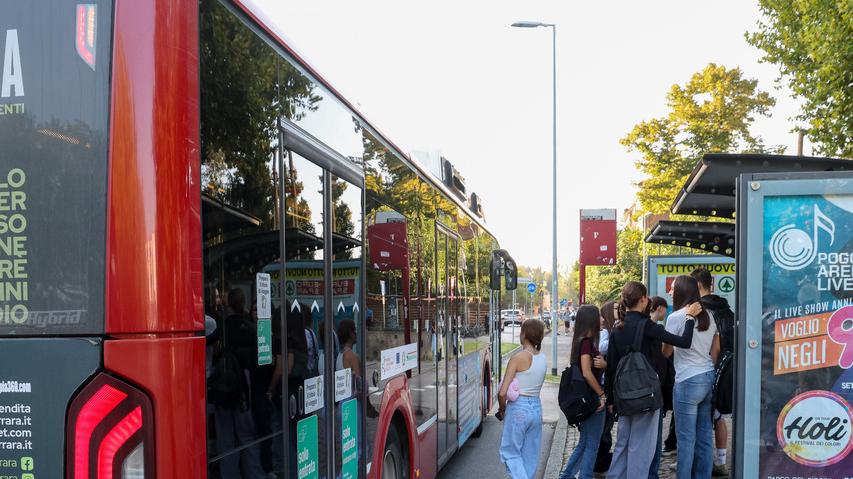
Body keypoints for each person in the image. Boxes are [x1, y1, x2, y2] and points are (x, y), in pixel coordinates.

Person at [605, 282, 699, 479]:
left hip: (623, 396)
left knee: (622, 444)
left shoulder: (617, 328)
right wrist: (689, 318)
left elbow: (611, 367)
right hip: (645, 395)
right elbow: (684, 342)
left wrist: (611, 400)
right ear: (643, 299)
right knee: (641, 447)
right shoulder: (648, 326)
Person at [662, 276, 720, 479]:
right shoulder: (710, 316)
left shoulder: (675, 317)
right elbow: (716, 348)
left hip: (687, 379)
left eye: (672, 288)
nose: (670, 291)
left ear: (680, 291)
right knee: (704, 436)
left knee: (685, 439)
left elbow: (666, 352)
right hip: (706, 376)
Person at [691, 267, 733, 477]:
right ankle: (721, 461)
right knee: (718, 416)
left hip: (705, 366)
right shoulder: (725, 307)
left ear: (698, 286)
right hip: (726, 365)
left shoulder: (700, 309)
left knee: (702, 418)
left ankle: (700, 463)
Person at [560, 305, 607, 479]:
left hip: (586, 399)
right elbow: (587, 372)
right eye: (600, 316)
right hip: (592, 399)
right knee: (591, 445)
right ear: (591, 320)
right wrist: (602, 394)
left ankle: (566, 476)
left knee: (584, 443)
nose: (602, 319)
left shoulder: (581, 341)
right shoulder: (587, 343)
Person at [498, 319, 547, 478]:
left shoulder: (518, 358)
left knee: (511, 453)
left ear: (525, 334)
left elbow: (502, 392)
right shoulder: (543, 358)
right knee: (530, 456)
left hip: (519, 407)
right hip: (536, 408)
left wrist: (502, 409)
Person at [646, 296, 672, 479]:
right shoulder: (656, 329)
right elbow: (664, 354)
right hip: (655, 386)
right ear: (660, 308)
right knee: (654, 434)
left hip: (645, 384)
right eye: (665, 309)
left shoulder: (643, 327)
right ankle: (652, 473)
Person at [594, 301, 618, 473]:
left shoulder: (614, 330)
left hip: (611, 383)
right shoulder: (605, 332)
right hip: (603, 385)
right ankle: (600, 461)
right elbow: (602, 347)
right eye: (616, 308)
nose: (620, 310)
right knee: (604, 427)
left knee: (607, 426)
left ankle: (602, 459)